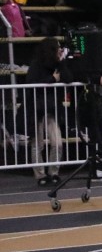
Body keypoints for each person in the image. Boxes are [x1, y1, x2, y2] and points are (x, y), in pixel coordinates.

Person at [26, 37, 73, 185]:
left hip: (53, 109)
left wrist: (62, 62)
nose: (60, 50)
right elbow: (31, 84)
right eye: (58, 47)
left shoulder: (58, 64)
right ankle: (40, 175)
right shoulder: (36, 65)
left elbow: (69, 79)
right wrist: (52, 79)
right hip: (36, 109)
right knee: (37, 144)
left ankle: (54, 172)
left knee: (57, 143)